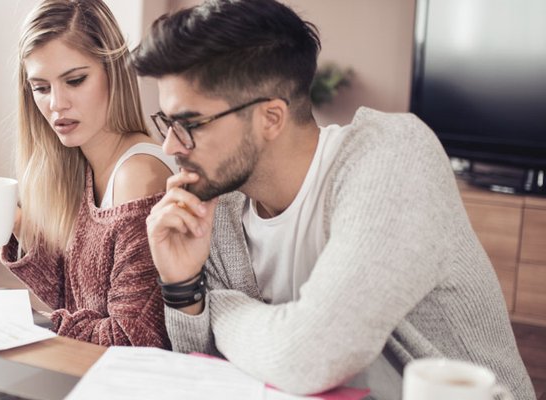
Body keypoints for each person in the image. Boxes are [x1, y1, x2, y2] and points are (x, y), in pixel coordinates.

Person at [131, 0, 536, 398]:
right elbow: (203, 371)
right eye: (167, 122)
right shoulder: (217, 209)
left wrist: (218, 307)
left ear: (271, 117)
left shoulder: (391, 157)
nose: (170, 144)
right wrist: (182, 285)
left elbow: (307, 359)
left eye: (189, 124)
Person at [0, 0, 176, 348]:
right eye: (41, 87)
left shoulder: (138, 177)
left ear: (114, 72)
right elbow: (71, 299)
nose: (57, 104)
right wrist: (20, 225)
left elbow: (130, 339)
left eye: (75, 80)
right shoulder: (80, 166)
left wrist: (32, 325)